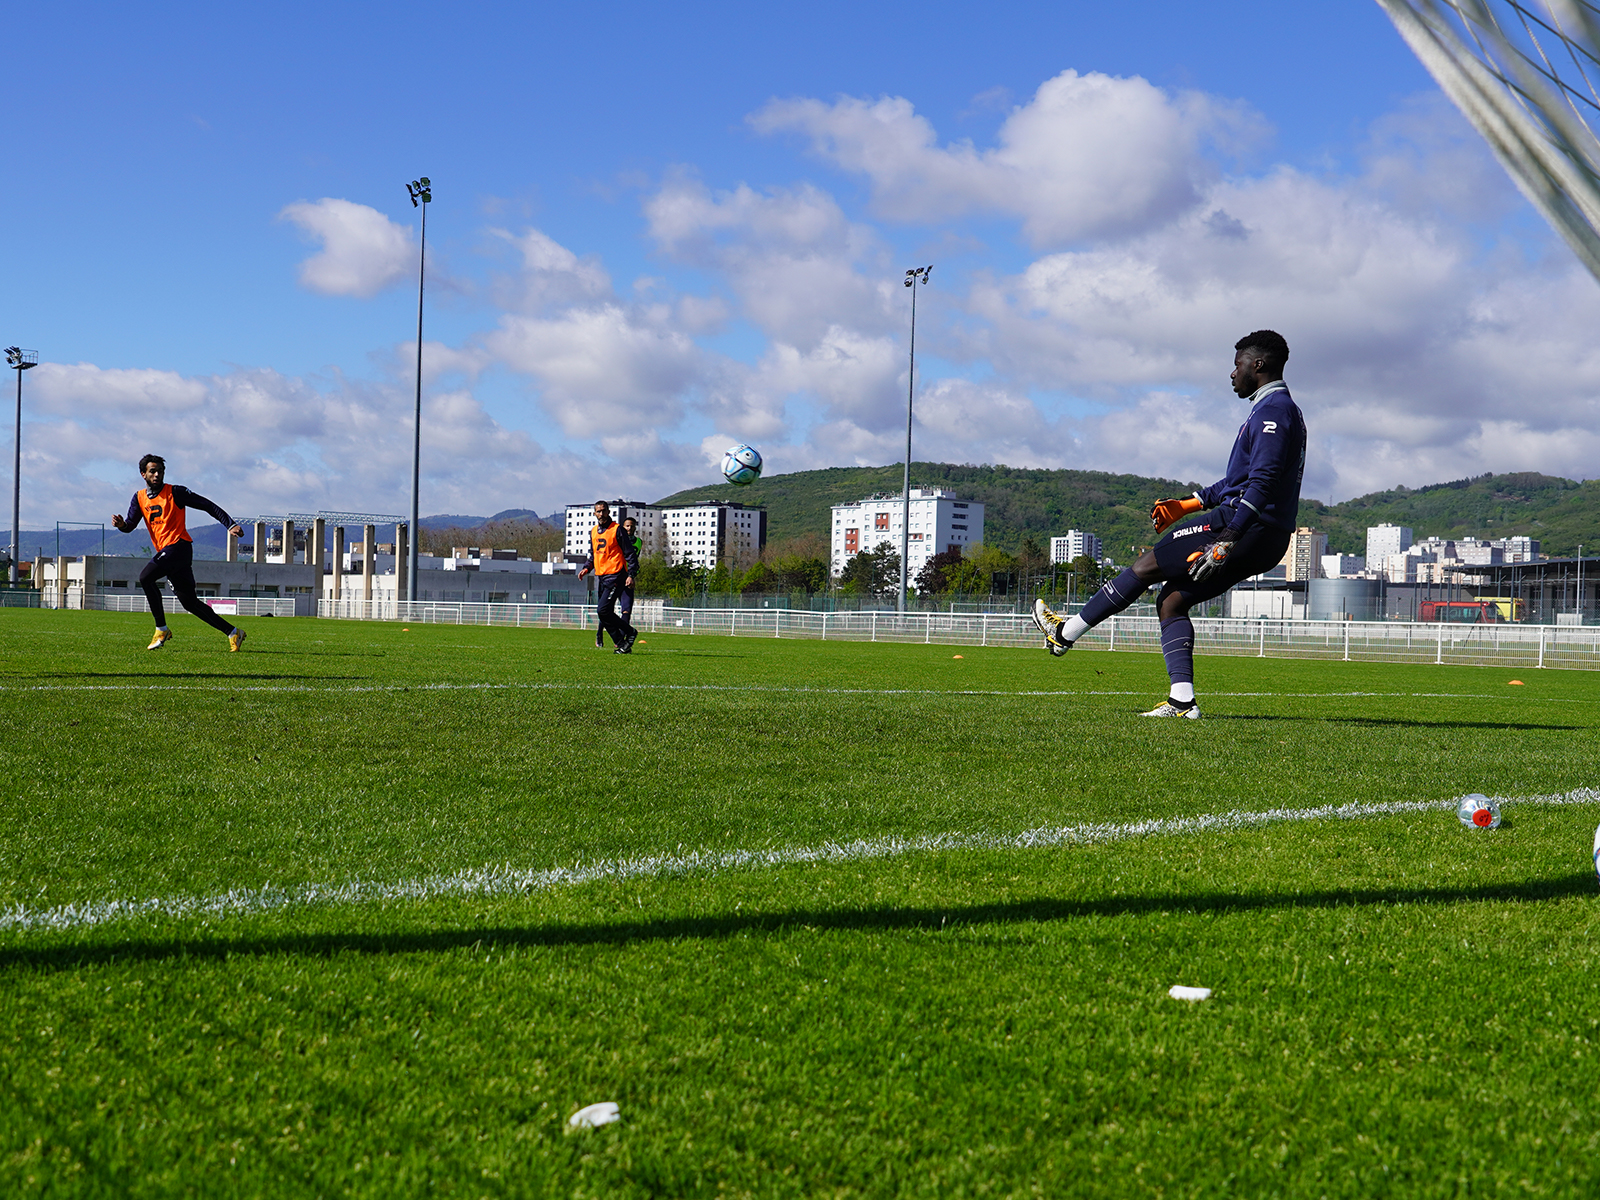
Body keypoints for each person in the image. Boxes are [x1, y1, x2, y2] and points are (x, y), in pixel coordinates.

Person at [1032, 330, 1305, 718]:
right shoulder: (1278, 410)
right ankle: (1182, 702)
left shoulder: (1274, 411)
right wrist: (1188, 504)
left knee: (1147, 565)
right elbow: (1240, 480)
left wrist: (1226, 538)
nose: (1232, 373)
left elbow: (1260, 485)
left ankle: (1064, 632)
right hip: (1268, 537)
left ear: (1257, 365)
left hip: (1244, 526)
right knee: (1172, 601)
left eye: (1238, 364)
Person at [111, 453, 248, 652]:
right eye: (152, 471)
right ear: (143, 474)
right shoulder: (139, 497)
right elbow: (130, 525)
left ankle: (161, 629)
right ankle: (233, 632)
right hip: (168, 553)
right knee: (189, 603)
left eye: (160, 471)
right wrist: (122, 525)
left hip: (179, 547)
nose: (157, 475)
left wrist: (230, 524)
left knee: (145, 577)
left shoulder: (175, 492)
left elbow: (206, 505)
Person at [577, 501, 638, 653]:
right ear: (594, 513)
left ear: (609, 511)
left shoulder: (617, 529)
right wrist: (586, 568)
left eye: (604, 511)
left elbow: (630, 554)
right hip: (602, 577)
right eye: (598, 511)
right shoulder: (593, 532)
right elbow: (594, 555)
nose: (601, 514)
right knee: (604, 614)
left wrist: (631, 575)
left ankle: (627, 634)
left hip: (616, 576)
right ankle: (624, 643)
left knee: (602, 610)